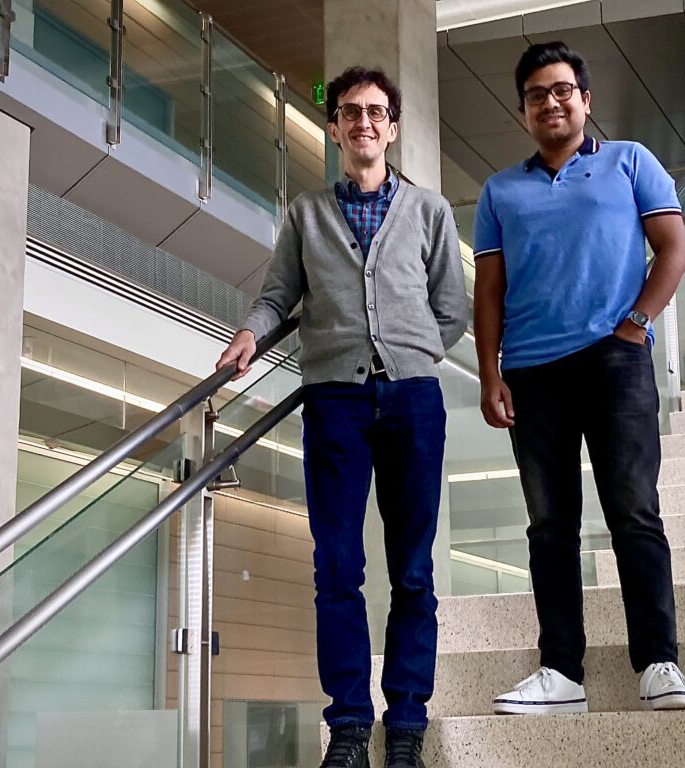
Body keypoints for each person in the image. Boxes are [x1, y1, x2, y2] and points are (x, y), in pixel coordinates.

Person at [217, 66, 467, 768]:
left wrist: (408, 356)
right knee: (337, 565)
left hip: (414, 400)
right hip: (336, 403)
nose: (363, 122)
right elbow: (276, 298)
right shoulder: (304, 215)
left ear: (391, 127)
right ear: (334, 129)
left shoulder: (430, 212)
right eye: (350, 112)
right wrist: (249, 332)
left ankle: (408, 724)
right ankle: (352, 726)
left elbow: (449, 310)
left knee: (413, 569)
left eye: (375, 112)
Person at [472, 41, 685, 716]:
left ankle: (658, 660)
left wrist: (636, 323)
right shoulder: (499, 191)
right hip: (532, 372)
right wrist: (490, 374)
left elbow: (675, 248)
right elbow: (488, 291)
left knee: (633, 511)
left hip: (614, 362)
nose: (551, 101)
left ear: (585, 99)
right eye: (537, 94)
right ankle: (561, 671)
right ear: (524, 112)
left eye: (562, 89)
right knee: (550, 525)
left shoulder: (631, 161)